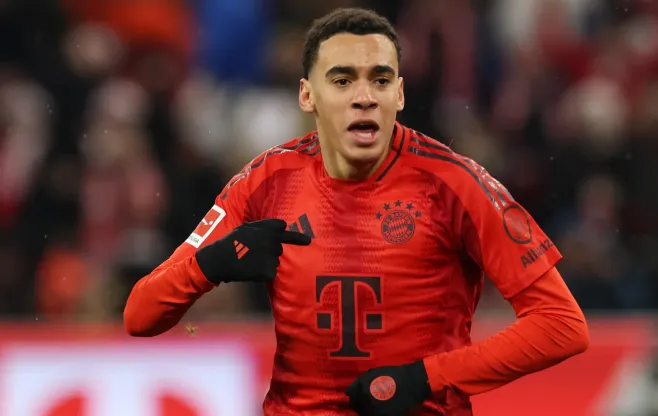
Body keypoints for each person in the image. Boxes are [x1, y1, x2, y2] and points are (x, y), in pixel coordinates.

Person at [123, 8, 590, 416]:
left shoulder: (455, 184)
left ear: (400, 95)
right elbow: (140, 315)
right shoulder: (265, 181)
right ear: (308, 96)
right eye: (343, 79)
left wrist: (426, 378)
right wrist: (213, 264)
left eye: (380, 79)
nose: (364, 96)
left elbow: (561, 325)